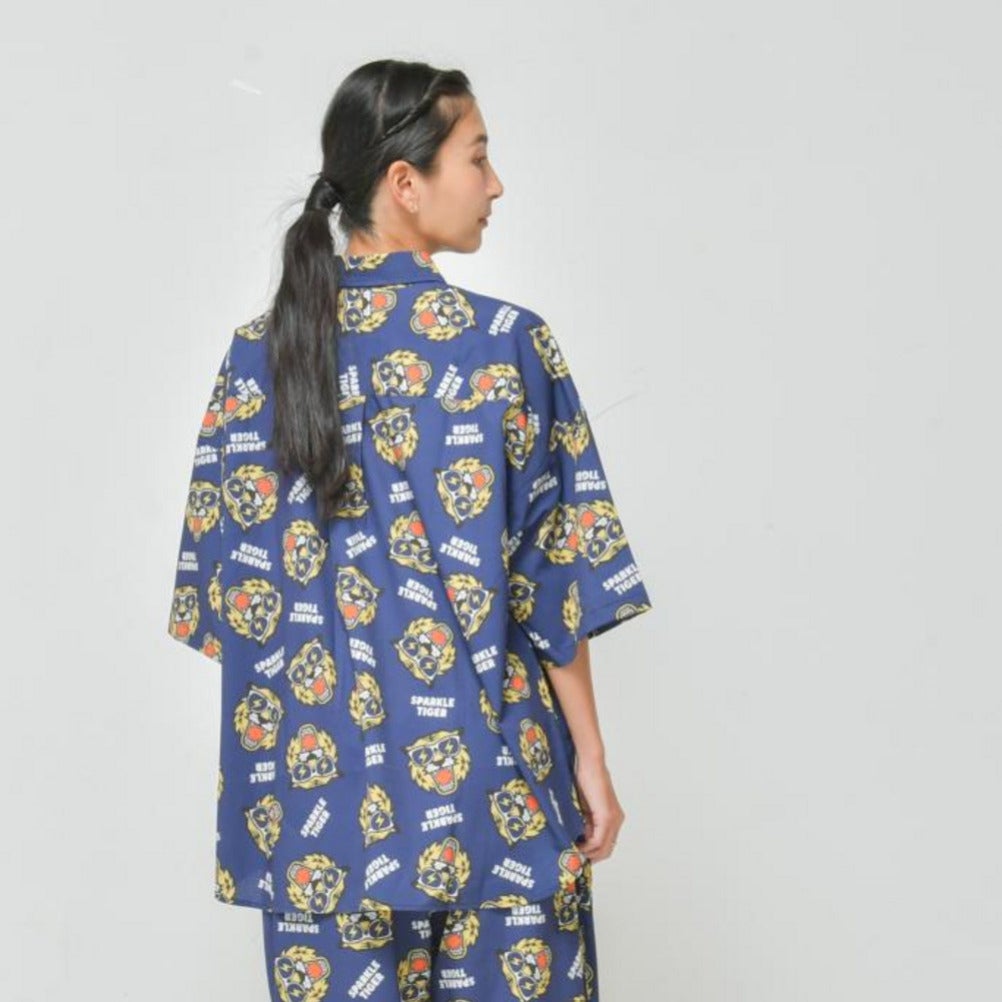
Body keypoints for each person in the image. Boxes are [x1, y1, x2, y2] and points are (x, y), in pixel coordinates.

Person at [166, 57, 653, 1002]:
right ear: (405, 182)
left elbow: (223, 607)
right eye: (478, 158)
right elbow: (555, 584)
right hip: (497, 803)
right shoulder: (506, 345)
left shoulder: (256, 360)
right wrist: (591, 764)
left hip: (316, 822)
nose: (495, 184)